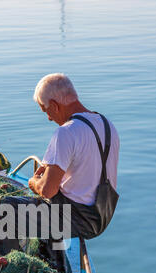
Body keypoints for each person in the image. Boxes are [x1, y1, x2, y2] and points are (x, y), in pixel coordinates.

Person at [28, 72, 120, 240]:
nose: (49, 118)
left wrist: (34, 182)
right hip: (101, 217)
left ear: (55, 105)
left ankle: (8, 266)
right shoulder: (108, 126)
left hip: (73, 219)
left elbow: (47, 191)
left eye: (46, 110)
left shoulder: (66, 132)